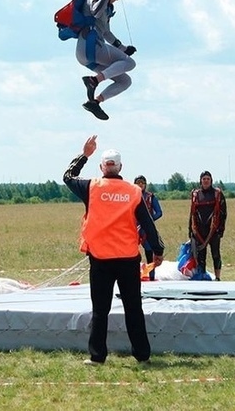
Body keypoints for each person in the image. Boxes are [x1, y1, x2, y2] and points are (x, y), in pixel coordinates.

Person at [63, 135, 165, 365]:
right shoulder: (133, 192)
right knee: (133, 308)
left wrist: (84, 155)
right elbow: (148, 223)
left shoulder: (91, 187)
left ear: (101, 167)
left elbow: (67, 177)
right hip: (128, 258)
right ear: (121, 167)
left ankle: (97, 356)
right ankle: (142, 355)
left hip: (100, 259)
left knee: (100, 309)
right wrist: (157, 250)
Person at [78, 0, 137, 121]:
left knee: (125, 81)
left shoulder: (107, 8)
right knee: (130, 63)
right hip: (89, 46)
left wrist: (123, 48)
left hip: (91, 55)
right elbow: (95, 11)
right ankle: (93, 81)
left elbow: (106, 33)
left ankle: (95, 102)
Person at [187, 171, 227, 280]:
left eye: (208, 179)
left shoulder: (217, 194)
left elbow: (223, 213)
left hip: (214, 230)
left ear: (211, 180)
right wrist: (190, 230)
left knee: (216, 255)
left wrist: (221, 230)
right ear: (200, 180)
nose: (205, 181)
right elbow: (192, 213)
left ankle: (218, 278)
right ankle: (202, 277)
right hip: (199, 231)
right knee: (201, 257)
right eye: (204, 179)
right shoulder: (196, 194)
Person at [134, 175, 163, 281]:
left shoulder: (151, 197)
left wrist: (148, 221)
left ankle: (151, 277)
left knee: (149, 254)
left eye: (142, 182)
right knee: (132, 255)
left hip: (147, 230)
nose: (140, 184)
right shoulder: (130, 196)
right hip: (133, 229)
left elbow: (159, 212)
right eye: (138, 183)